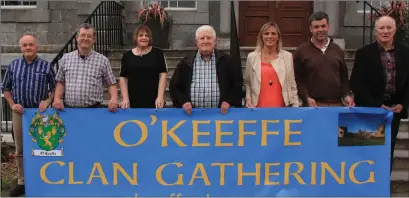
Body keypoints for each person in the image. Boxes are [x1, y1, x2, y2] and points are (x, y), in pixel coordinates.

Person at [350, 16, 409, 173]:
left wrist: (403, 104)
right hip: (370, 110)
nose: (385, 31)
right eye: (381, 28)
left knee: (387, 151)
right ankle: (366, 186)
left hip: (394, 111)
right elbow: (355, 84)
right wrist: (376, 105)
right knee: (367, 150)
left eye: (389, 28)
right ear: (375, 31)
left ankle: (383, 188)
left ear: (395, 30)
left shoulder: (405, 52)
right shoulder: (364, 54)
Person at [1, 34, 56, 197]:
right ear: (21, 48)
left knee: (43, 147)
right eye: (25, 45)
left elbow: (54, 90)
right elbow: (5, 89)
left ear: (36, 46)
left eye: (31, 44)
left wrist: (47, 101)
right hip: (21, 113)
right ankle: (22, 182)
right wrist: (12, 104)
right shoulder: (13, 65)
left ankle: (42, 180)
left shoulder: (46, 66)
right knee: (20, 149)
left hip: (40, 113)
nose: (28, 48)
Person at [169, 25, 243, 115]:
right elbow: (174, 86)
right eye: (202, 38)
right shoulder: (186, 62)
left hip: (221, 115)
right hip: (192, 116)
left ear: (215, 41)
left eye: (209, 38)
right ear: (197, 42)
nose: (205, 41)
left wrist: (228, 101)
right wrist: (183, 101)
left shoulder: (226, 60)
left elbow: (237, 84)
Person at [293, 11, 354, 107]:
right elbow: (297, 79)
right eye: (316, 27)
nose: (320, 29)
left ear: (328, 27)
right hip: (312, 105)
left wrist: (346, 95)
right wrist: (306, 97)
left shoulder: (337, 49)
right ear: (310, 29)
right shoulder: (301, 51)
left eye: (323, 26)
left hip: (336, 105)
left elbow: (344, 77)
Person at [52, 23, 118, 111]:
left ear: (94, 40)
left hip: (94, 110)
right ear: (77, 38)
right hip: (69, 110)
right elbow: (60, 82)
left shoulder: (103, 60)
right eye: (83, 35)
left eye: (89, 36)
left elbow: (111, 83)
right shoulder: (66, 58)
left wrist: (113, 98)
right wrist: (57, 99)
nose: (85, 38)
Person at [244, 22, 299, 108]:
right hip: (257, 108)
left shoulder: (287, 57)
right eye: (266, 33)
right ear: (261, 37)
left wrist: (295, 105)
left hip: (282, 108)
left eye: (273, 33)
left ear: (278, 37)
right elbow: (248, 83)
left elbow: (292, 83)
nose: (270, 36)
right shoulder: (252, 57)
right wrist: (248, 99)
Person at [119, 26, 167, 109]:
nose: (144, 38)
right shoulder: (127, 55)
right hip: (132, 100)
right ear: (136, 37)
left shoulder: (158, 53)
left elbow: (163, 75)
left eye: (147, 35)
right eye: (141, 35)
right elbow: (123, 78)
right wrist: (125, 98)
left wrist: (160, 97)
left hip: (154, 101)